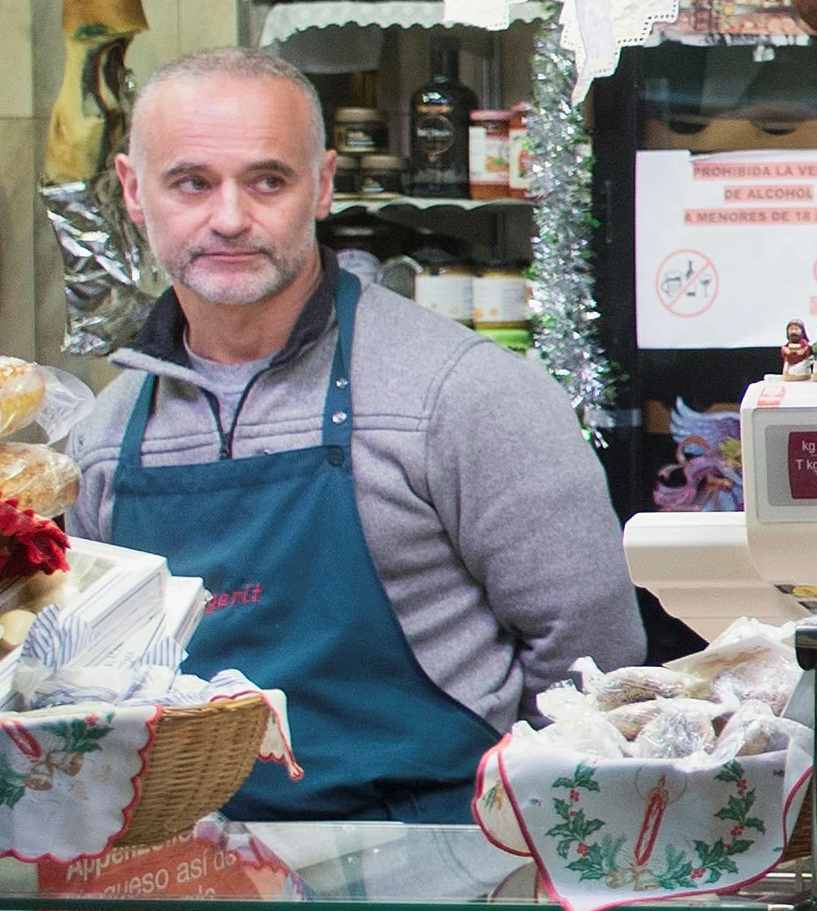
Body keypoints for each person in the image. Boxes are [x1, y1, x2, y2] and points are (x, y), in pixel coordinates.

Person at [67, 44, 638, 825]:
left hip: (440, 872)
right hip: (198, 881)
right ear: (135, 192)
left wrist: (502, 841)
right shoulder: (106, 436)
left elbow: (593, 663)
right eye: (191, 183)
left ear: (324, 184)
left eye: (268, 180)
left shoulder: (462, 392)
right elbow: (99, 681)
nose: (230, 218)